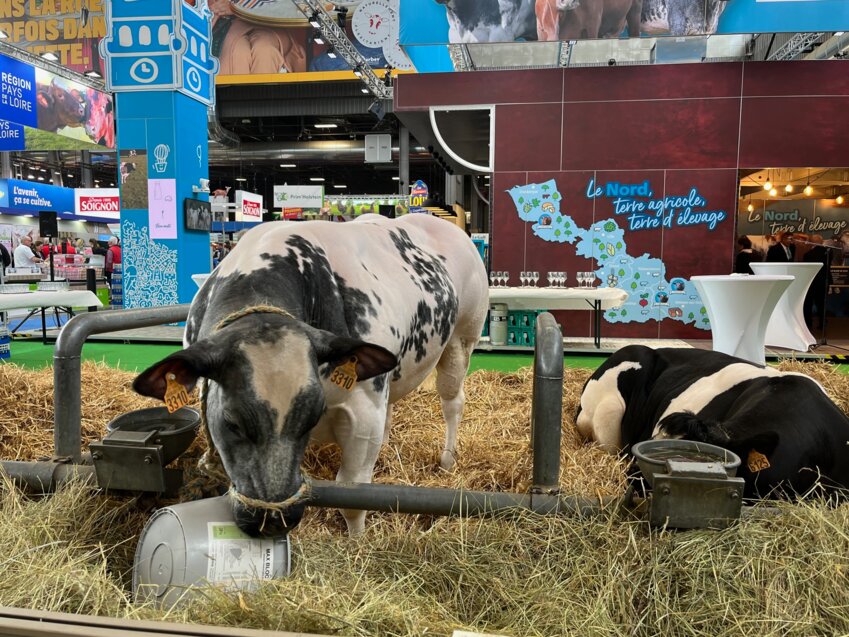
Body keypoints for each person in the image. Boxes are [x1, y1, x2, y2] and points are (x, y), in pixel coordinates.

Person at [207, 0, 307, 75]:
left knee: (265, 50)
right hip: (230, 25)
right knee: (238, 51)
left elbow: (296, 6)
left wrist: (236, 6)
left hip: (275, 24)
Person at [803, 234, 831, 332]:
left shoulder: (808, 255)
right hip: (824, 281)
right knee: (822, 303)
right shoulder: (828, 253)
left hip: (811, 282)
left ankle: (808, 322)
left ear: (812, 242)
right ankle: (822, 323)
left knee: (808, 303)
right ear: (822, 242)